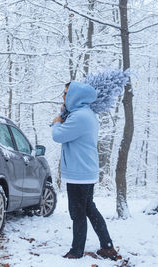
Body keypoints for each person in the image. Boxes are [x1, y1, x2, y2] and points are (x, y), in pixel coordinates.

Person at [52, 81, 120, 260]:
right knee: (89, 209)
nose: (63, 96)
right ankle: (107, 246)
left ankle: (76, 251)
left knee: (78, 213)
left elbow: (58, 136)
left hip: (79, 173)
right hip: (84, 171)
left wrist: (57, 122)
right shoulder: (85, 114)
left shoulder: (79, 116)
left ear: (76, 96)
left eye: (66, 93)